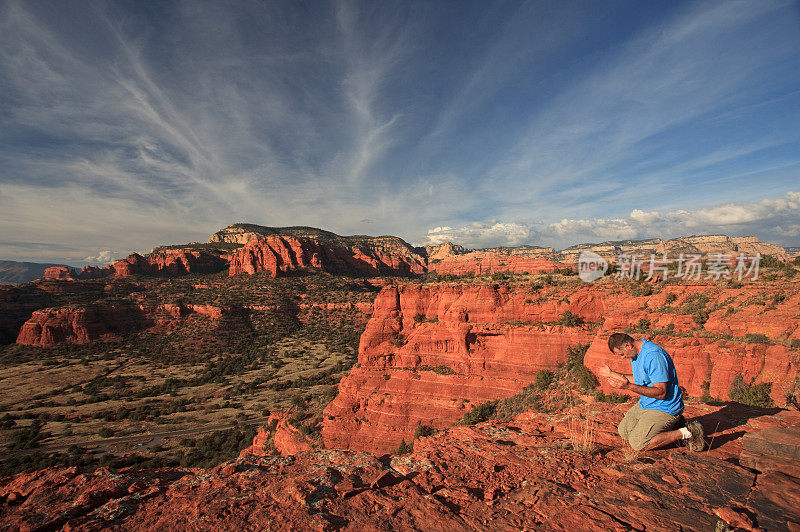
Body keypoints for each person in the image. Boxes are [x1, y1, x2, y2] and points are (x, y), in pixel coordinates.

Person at [598, 332, 704, 451]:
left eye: (622, 354)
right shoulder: (636, 353)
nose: (622, 357)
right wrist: (611, 373)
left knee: (638, 443)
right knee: (624, 431)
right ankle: (675, 425)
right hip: (647, 403)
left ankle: (689, 431)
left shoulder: (654, 356)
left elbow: (661, 392)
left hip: (664, 407)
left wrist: (628, 387)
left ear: (628, 345)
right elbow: (640, 379)